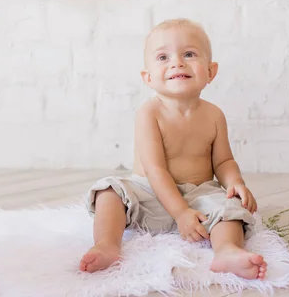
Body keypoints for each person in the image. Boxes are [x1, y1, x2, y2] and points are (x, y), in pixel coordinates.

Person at [79, 19, 266, 280]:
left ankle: (227, 251)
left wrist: (235, 182)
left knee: (230, 207)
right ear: (148, 77)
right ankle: (108, 245)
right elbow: (155, 170)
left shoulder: (214, 115)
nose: (177, 62)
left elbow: (223, 161)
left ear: (210, 72)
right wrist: (180, 213)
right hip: (148, 193)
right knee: (109, 191)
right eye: (163, 57)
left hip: (199, 195)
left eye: (189, 54)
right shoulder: (149, 113)